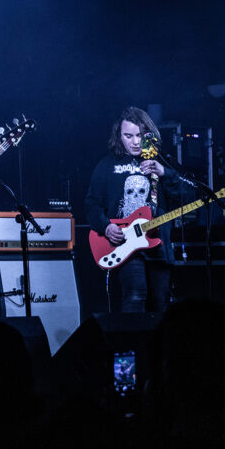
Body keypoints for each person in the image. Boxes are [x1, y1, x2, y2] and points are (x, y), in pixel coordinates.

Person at [84, 106, 183, 312]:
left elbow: (186, 197)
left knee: (161, 304)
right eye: (128, 136)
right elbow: (91, 204)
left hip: (159, 247)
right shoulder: (107, 165)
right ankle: (132, 344)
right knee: (136, 295)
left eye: (139, 135)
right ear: (119, 136)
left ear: (148, 135)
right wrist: (106, 227)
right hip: (127, 246)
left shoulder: (161, 162)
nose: (135, 142)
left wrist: (165, 173)